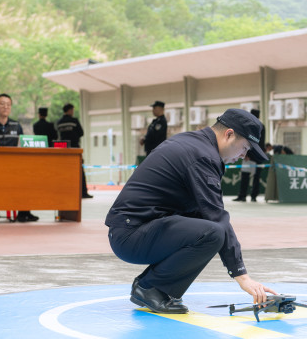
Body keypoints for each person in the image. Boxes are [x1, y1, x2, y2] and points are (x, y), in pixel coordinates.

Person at [106, 108, 277, 314]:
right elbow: (218, 219)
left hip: (134, 229)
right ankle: (151, 288)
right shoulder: (201, 155)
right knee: (213, 233)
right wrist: (242, 276)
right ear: (229, 134)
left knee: (208, 227)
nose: (243, 156)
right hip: (131, 236)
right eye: (244, 148)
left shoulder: (196, 144)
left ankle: (154, 286)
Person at [0, 93, 39, 222]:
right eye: (2, 104)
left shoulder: (16, 125)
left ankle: (24, 212)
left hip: (13, 168)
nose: (5, 107)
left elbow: (22, 146)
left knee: (27, 175)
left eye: (8, 105)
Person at [57, 103, 92, 199]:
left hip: (63, 149)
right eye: (72, 110)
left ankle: (67, 191)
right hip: (75, 148)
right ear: (69, 110)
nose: (73, 112)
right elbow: (81, 133)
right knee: (80, 171)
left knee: (66, 171)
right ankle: (83, 192)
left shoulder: (59, 122)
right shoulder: (74, 121)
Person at [234, 109, 266, 202]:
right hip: (259, 155)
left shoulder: (250, 125)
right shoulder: (262, 126)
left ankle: (242, 196)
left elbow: (248, 141)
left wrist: (246, 154)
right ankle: (253, 196)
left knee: (245, 176)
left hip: (250, 155)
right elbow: (261, 143)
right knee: (256, 177)